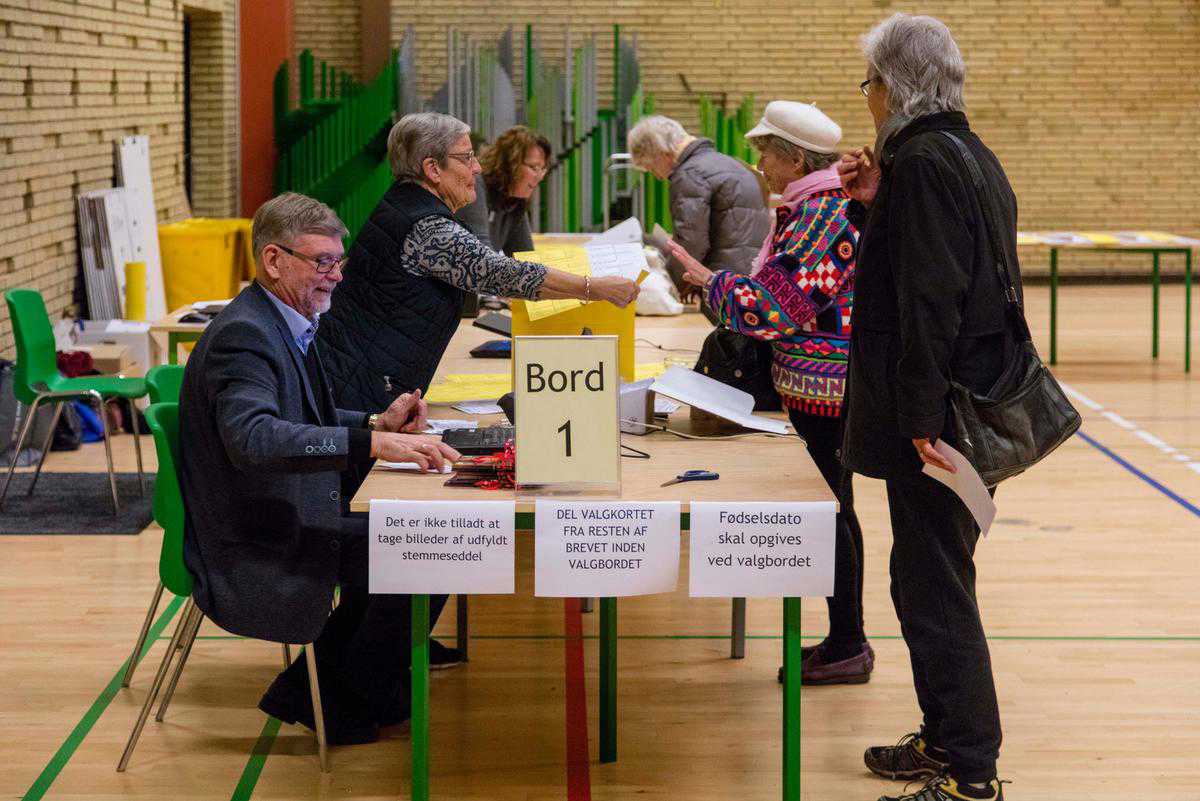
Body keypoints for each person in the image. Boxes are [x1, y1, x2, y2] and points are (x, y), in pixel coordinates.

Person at [178, 192, 462, 744]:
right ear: (274, 260)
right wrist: (372, 444)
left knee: (433, 540)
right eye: (321, 263)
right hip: (256, 531)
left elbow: (302, 413)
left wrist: (378, 420)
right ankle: (330, 696)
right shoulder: (247, 336)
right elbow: (254, 437)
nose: (335, 277)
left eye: (339, 262)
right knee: (433, 545)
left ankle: (338, 688)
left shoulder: (280, 319)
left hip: (286, 506)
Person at [838, 14, 1016, 801]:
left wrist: (917, 419)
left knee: (937, 586)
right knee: (921, 578)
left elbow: (933, 301)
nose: (867, 97)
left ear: (895, 86)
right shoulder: (959, 152)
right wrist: (876, 202)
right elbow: (935, 264)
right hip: (952, 407)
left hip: (938, 420)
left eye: (870, 81)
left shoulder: (926, 164)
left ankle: (971, 771)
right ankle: (945, 737)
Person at [669, 101, 871, 686]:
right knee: (836, 509)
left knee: (833, 512)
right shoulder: (813, 205)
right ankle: (845, 639)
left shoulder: (825, 213)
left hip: (826, 389)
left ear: (796, 157)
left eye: (766, 152)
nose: (760, 164)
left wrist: (714, 283)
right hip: (815, 384)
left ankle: (848, 643)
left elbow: (780, 307)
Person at [318, 111, 639, 415]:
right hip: (357, 381)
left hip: (359, 370)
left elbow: (516, 261)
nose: (477, 168)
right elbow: (498, 273)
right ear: (432, 168)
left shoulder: (408, 205)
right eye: (466, 157)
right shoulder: (427, 226)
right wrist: (594, 287)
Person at [627, 114, 769, 303]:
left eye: (651, 167)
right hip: (750, 278)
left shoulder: (690, 174)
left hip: (722, 286)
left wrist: (671, 288)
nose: (658, 176)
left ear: (659, 152)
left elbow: (690, 244)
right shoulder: (729, 163)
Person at [455, 125, 553, 256]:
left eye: (542, 169)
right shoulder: (475, 185)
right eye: (534, 167)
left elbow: (525, 256)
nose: (539, 176)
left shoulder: (513, 200)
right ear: (510, 164)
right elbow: (481, 257)